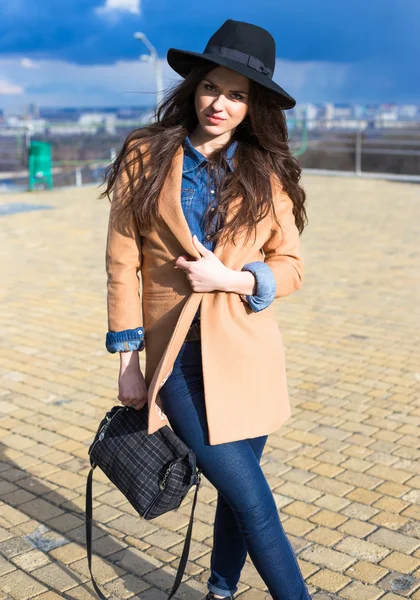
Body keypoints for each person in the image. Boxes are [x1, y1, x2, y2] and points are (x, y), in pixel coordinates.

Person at [102, 19, 310, 600]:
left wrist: (236, 278)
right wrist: (129, 364)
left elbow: (291, 266)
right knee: (254, 501)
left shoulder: (265, 172)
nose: (221, 103)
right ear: (194, 88)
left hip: (247, 357)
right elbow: (123, 266)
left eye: (238, 95)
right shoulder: (145, 154)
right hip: (177, 362)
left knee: (239, 496)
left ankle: (220, 590)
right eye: (212, 87)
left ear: (254, 106)